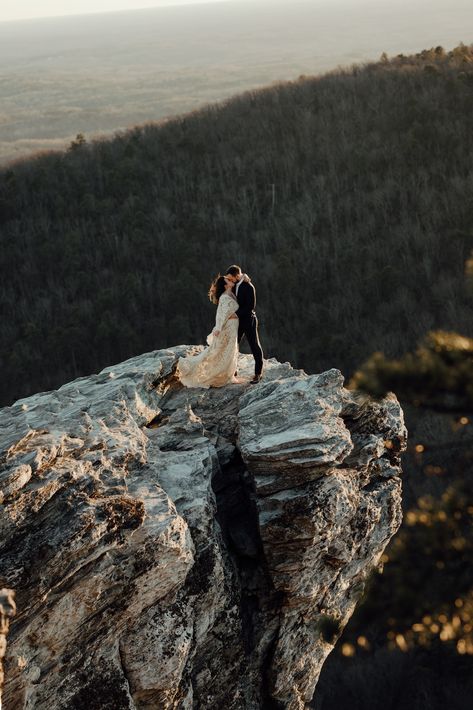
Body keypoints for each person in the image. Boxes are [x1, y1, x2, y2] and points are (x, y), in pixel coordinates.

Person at [177, 275, 239, 388]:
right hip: (228, 326)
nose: (231, 281)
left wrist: (244, 277)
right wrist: (218, 328)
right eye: (228, 280)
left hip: (233, 326)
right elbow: (221, 314)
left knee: (230, 350)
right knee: (223, 351)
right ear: (225, 285)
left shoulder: (231, 293)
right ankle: (194, 369)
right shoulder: (225, 297)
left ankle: (228, 375)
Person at [225, 265, 264, 384]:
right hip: (237, 321)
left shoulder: (249, 286)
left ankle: (258, 373)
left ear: (237, 275)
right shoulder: (234, 283)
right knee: (233, 344)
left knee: (254, 345)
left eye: (231, 278)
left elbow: (250, 306)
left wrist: (235, 314)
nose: (230, 280)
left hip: (249, 320)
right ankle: (233, 370)